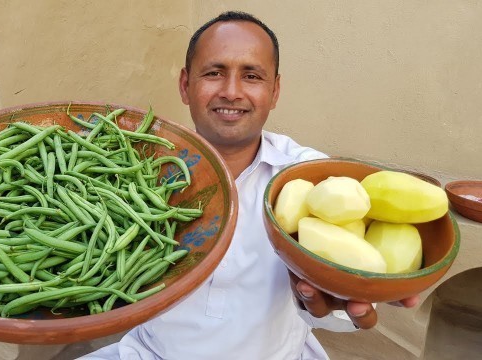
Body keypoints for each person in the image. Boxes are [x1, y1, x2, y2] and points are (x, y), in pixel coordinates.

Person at [81, 11, 419, 360]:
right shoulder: (137, 170)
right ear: (185, 85)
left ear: (275, 91)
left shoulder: (309, 177)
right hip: (150, 354)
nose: (231, 92)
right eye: (214, 73)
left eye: (252, 76)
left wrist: (340, 299)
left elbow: (343, 297)